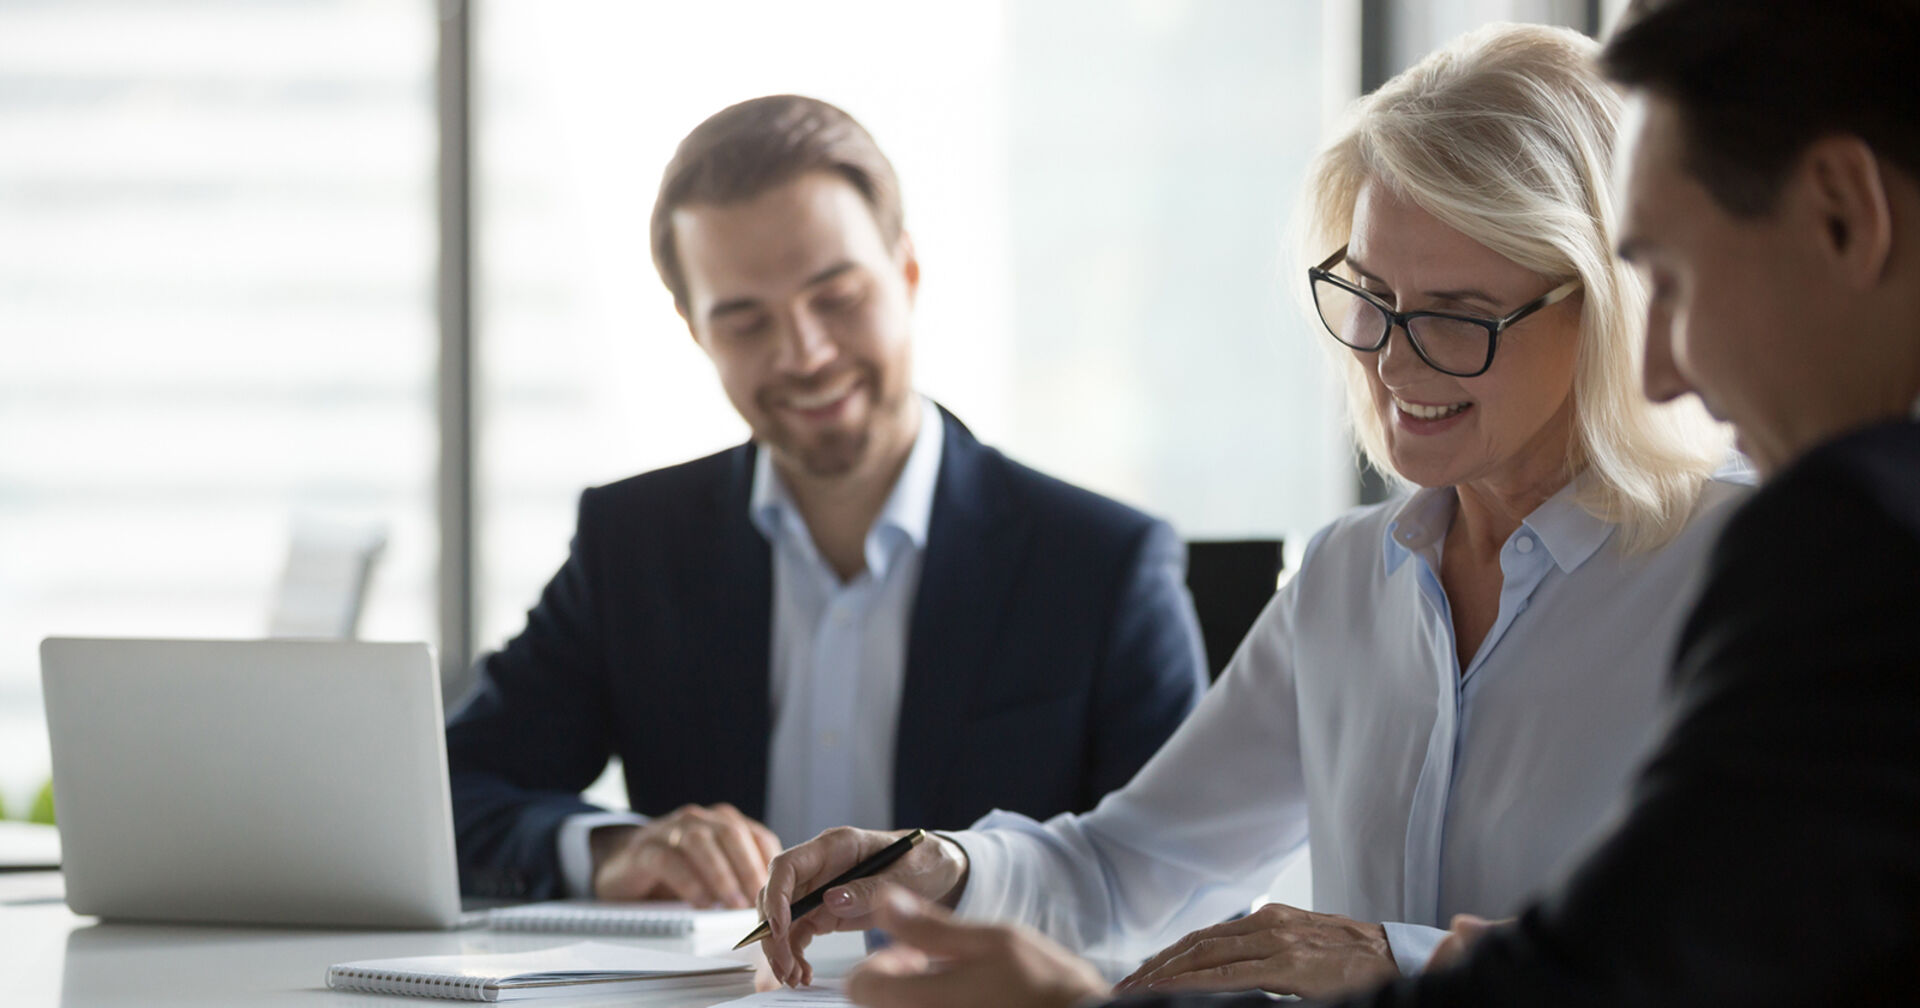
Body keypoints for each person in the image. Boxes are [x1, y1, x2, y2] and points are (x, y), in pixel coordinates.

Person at [805, 1, 1920, 1005]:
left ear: (1602, 310)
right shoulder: (1349, 574)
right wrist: (952, 867)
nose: (1392, 362)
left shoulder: (1759, 566)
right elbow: (1129, 863)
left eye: (1456, 315)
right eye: (1371, 298)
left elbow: (1680, 967)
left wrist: (1397, 953)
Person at [444, 94, 1208, 909]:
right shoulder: (633, 545)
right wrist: (610, 850)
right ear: (695, 330)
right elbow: (450, 795)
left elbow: (1192, 885)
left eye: (837, 298)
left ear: (906, 272)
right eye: (744, 322)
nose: (804, 354)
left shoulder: (1100, 564)